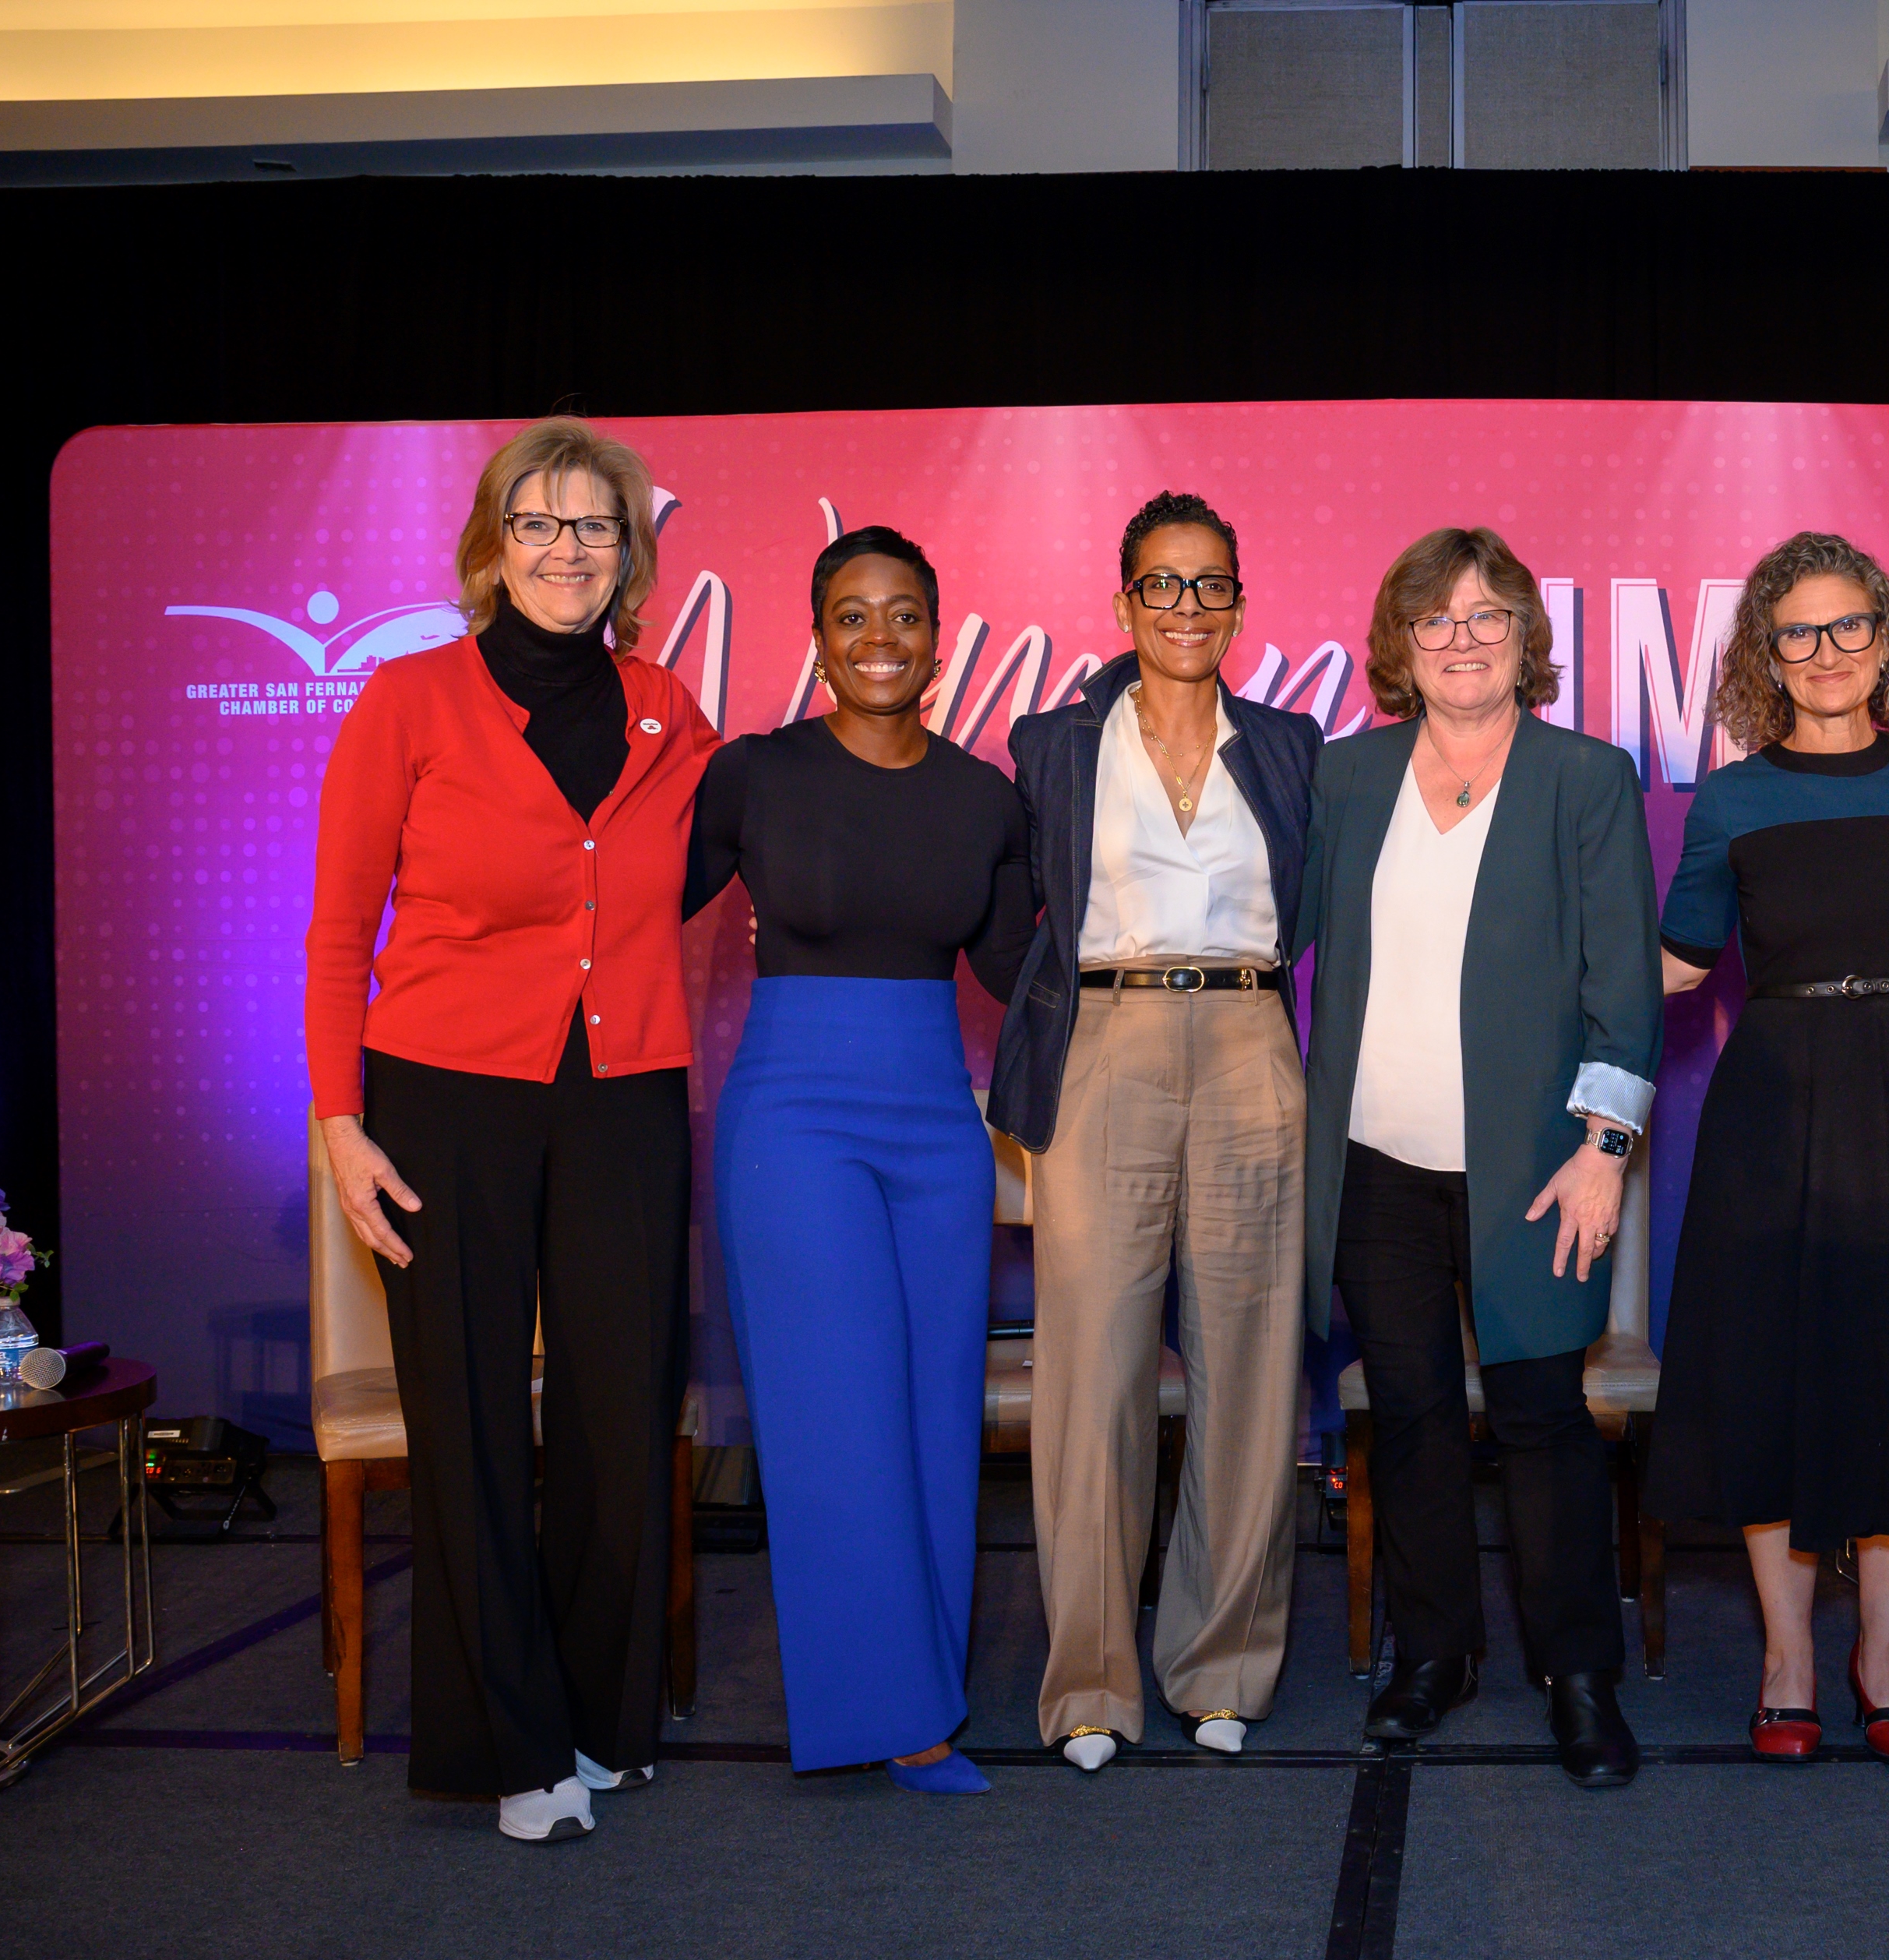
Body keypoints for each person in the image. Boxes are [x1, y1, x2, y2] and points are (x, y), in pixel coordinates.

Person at [305, 417, 714, 1842]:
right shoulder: (407, 701)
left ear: (630, 551)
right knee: (470, 1417)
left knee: (619, 1408)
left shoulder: (671, 709)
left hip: (626, 1095)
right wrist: (341, 1125)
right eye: (537, 525)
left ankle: (601, 1723)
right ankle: (505, 1744)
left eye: (593, 526)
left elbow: (749, 849)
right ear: (491, 547)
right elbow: (337, 929)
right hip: (441, 1095)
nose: (565, 549)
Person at [1643, 532, 1889, 1767]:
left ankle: (1886, 1658)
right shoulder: (1733, 796)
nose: (1825, 653)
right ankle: (1788, 1657)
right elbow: (1677, 960)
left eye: (1848, 626)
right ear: (1767, 652)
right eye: (1797, 633)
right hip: (1776, 1104)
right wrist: (1534, 980)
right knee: (1775, 1380)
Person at [1299, 526, 1662, 1789]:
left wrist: (1605, 1147)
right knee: (1408, 1416)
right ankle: (1436, 1655)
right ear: (1400, 645)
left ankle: (1578, 1673)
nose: (1461, 637)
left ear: (1526, 634)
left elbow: (1627, 985)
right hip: (1373, 1160)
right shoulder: (1345, 781)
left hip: (1537, 1164)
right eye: (1435, 618)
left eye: (1486, 613)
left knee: (1543, 1415)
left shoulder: (1585, 777)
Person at [690, 527, 1034, 1794]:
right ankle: (891, 1713)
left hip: (939, 1126)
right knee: (836, 1411)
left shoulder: (987, 796)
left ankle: (923, 1682)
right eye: (852, 614)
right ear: (819, 636)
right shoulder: (754, 776)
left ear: (938, 638)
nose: (879, 637)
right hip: (794, 1119)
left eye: (903, 615)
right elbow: (620, 904)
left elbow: (1015, 971)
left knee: (936, 1409)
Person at [987, 492, 1320, 1773]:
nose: (1188, 607)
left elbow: (1319, 912)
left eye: (1212, 585)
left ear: (1240, 601)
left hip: (1249, 1039)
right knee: (1093, 1377)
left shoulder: (1290, 746)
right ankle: (1089, 1683)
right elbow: (1011, 912)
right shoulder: (1052, 743)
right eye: (1162, 585)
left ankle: (1221, 1660)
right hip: (1105, 1045)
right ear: (1121, 602)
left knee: (1250, 1366)